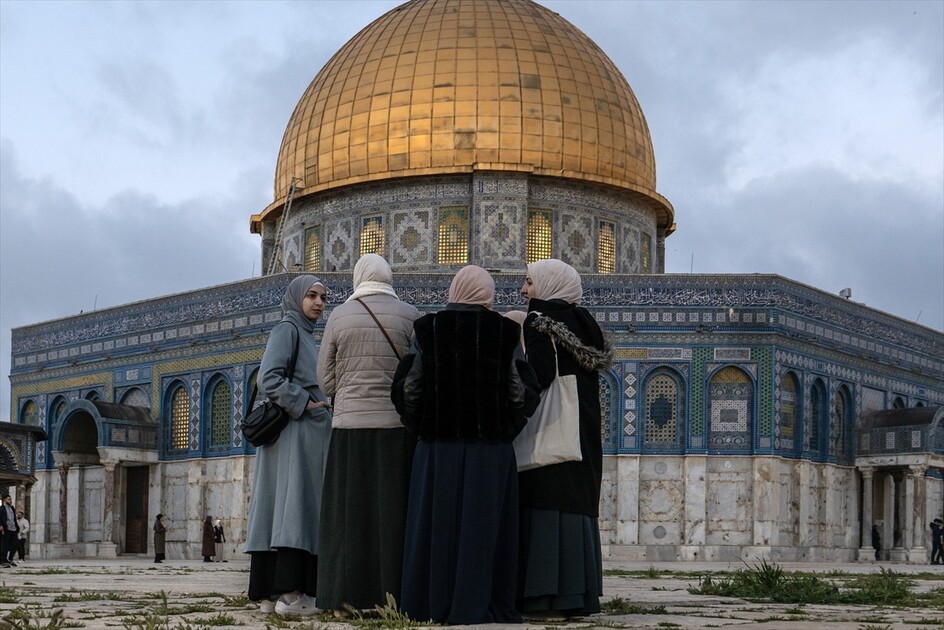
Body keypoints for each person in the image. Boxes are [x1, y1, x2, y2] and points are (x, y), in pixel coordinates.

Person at [393, 265, 539, 624]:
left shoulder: (428, 329)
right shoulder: (505, 331)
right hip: (489, 453)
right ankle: (478, 604)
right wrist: (505, 429)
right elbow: (521, 392)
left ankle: (430, 603)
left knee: (435, 528)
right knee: (483, 529)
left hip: (437, 451)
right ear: (486, 293)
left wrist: (422, 426)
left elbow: (409, 389)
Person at [316, 254, 420, 611]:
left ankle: (345, 594)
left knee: (349, 515)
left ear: (359, 278)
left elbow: (325, 380)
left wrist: (347, 393)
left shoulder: (339, 317)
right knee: (391, 514)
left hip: (349, 430)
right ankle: (392, 595)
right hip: (395, 429)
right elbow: (418, 376)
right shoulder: (410, 315)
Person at [517, 259, 612, 617]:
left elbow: (540, 375)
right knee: (578, 503)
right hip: (583, 427)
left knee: (546, 498)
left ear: (548, 284)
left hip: (553, 424)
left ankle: (543, 596)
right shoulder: (586, 324)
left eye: (528, 282)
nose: (524, 291)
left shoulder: (539, 320)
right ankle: (579, 595)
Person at [244, 275, 333, 616]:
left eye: (323, 297)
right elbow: (268, 377)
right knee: (296, 511)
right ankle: (293, 597)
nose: (319, 303)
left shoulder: (306, 335)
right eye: (311, 296)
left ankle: (269, 594)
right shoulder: (288, 330)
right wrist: (304, 403)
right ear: (297, 298)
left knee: (280, 511)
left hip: (295, 438)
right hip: (296, 435)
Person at [0, 495, 19, 567]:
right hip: (6, 529)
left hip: (13, 529)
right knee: (4, 545)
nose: (10, 501)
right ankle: (3, 561)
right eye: (9, 499)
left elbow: (14, 519)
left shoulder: (12, 508)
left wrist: (17, 528)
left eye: (11, 499)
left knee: (16, 544)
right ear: (5, 500)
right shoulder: (2, 509)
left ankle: (10, 559)